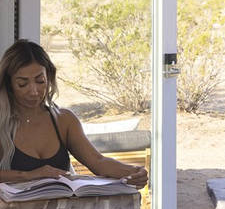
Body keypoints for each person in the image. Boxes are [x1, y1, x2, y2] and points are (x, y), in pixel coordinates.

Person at [0, 39, 148, 187]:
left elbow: (98, 162)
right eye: (22, 84)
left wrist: (133, 171)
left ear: (49, 78)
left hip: (61, 202)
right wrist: (29, 175)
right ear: (9, 84)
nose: (33, 91)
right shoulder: (2, 122)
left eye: (40, 81)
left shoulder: (64, 120)